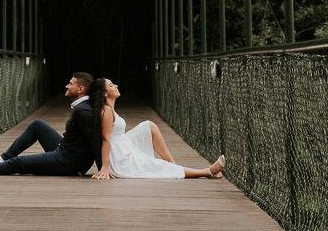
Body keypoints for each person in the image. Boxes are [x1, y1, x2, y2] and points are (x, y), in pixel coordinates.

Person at [0, 72, 100, 177]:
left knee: (18, 162)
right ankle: (1, 159)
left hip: (69, 163)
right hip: (66, 151)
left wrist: (103, 169)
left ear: (80, 89)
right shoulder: (83, 107)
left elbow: (96, 141)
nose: (67, 86)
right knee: (37, 125)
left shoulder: (82, 111)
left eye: (70, 83)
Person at [88, 77, 225, 180]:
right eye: (111, 85)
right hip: (119, 155)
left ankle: (173, 164)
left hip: (124, 143)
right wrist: (105, 167)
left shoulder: (110, 109)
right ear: (104, 94)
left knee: (149, 126)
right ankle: (207, 171)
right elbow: (106, 139)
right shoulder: (106, 110)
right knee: (154, 166)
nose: (116, 86)